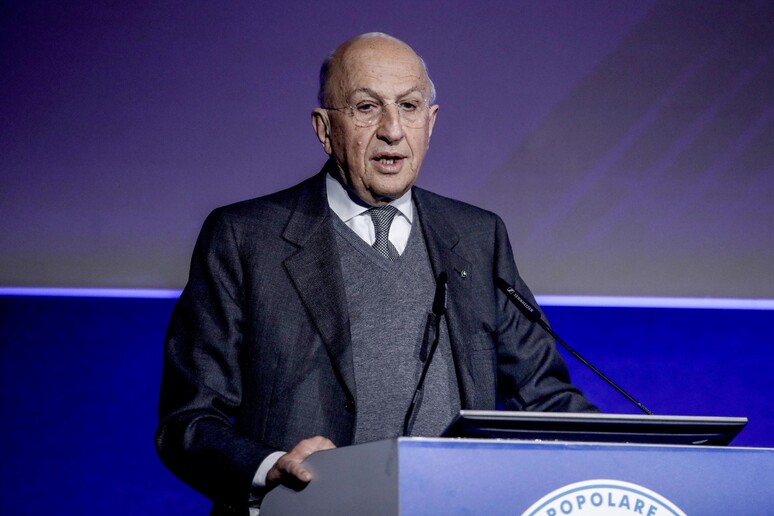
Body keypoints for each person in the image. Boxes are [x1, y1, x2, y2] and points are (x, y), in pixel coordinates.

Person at [156, 32, 597, 515]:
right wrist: (271, 467)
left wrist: (644, 451)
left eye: (409, 107)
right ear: (325, 129)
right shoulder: (245, 238)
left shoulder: (477, 236)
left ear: (430, 123)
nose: (392, 130)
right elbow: (189, 421)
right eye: (367, 108)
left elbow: (543, 398)